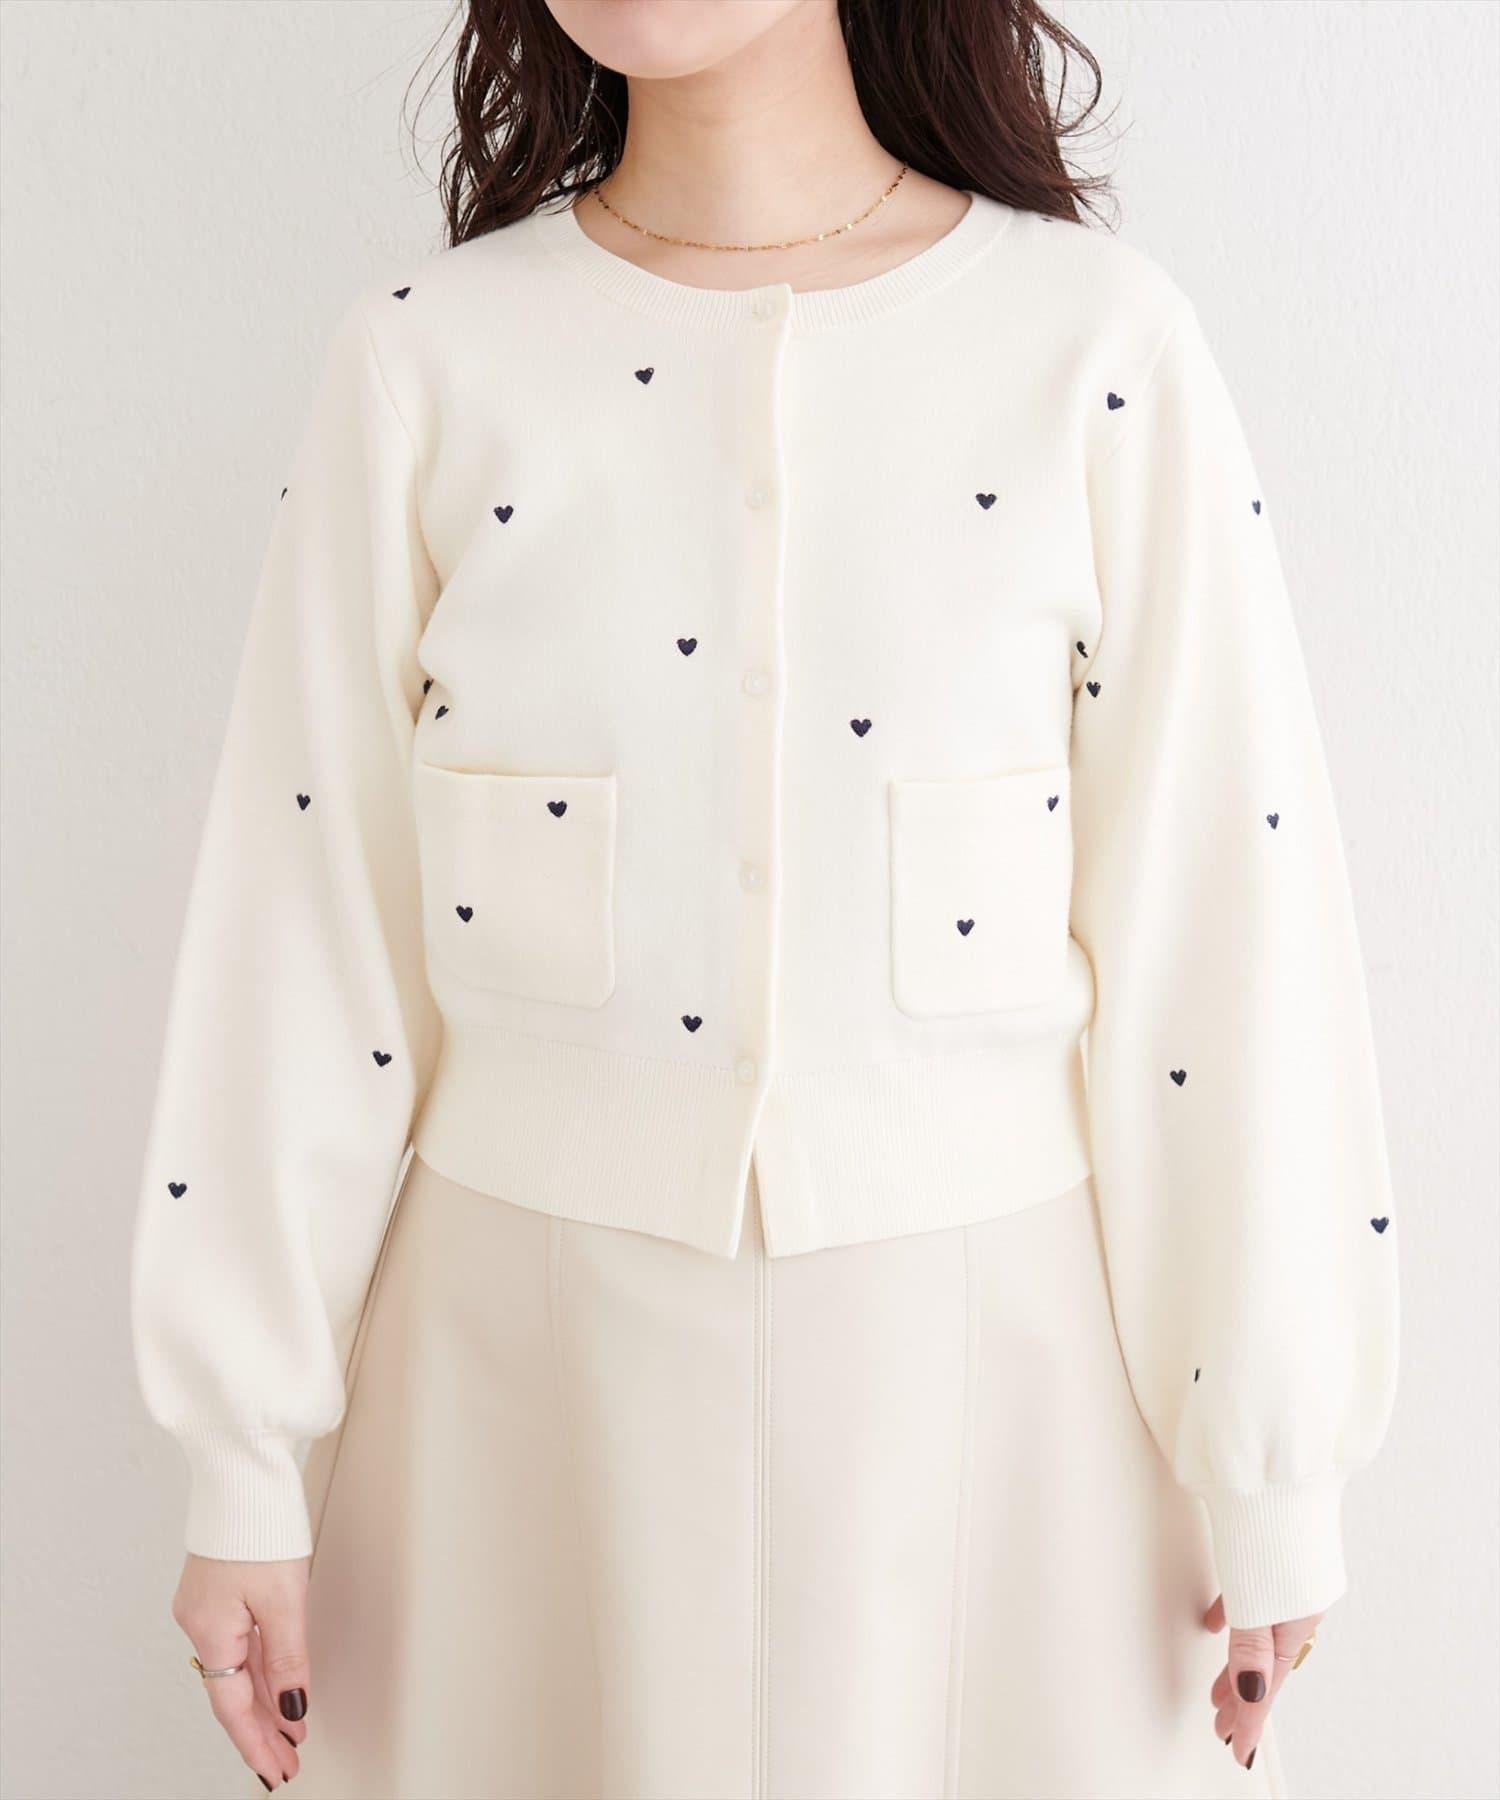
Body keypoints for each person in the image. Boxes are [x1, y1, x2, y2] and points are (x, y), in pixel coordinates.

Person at [130, 2, 1399, 1795]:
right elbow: (305, 924)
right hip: (511, 1412)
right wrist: (244, 1463)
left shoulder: (1096, 349)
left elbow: (1222, 921)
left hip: (996, 1433)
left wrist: (1271, 1472)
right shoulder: (428, 361)